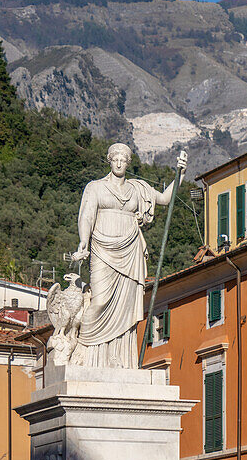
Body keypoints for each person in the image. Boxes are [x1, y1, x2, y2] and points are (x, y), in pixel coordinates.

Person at [71, 143, 186, 368]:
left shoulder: (137, 189)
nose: (120, 163)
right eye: (116, 159)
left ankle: (119, 357)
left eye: (124, 159)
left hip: (130, 250)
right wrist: (83, 242)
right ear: (109, 161)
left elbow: (164, 199)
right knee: (100, 300)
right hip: (102, 249)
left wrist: (180, 174)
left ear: (128, 163)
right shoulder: (95, 188)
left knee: (125, 306)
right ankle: (83, 351)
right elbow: (86, 216)